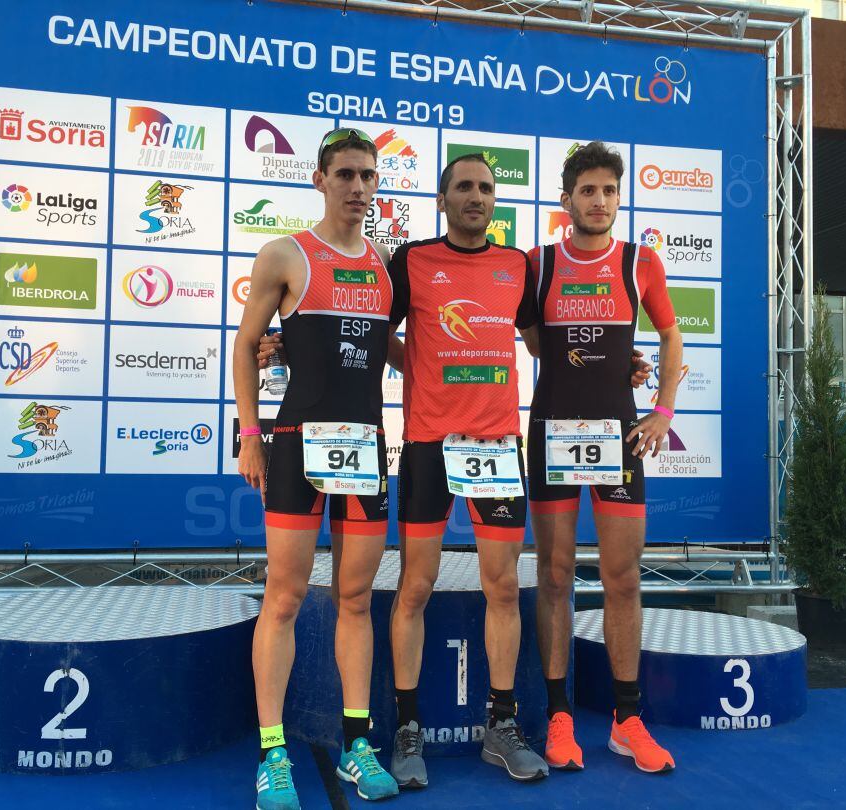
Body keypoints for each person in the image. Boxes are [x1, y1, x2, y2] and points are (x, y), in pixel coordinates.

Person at [234, 128, 399, 809]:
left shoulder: (387, 263)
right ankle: (273, 754)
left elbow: (399, 354)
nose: (358, 187)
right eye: (346, 175)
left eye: (367, 176)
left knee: (356, 600)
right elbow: (247, 347)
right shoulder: (285, 255)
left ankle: (358, 744)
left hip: (365, 446)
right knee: (285, 597)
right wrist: (249, 436)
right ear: (320, 179)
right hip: (297, 444)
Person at [383, 154, 548, 786]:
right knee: (415, 587)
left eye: (485, 187)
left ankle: (500, 728)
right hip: (429, 445)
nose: (475, 196)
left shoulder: (519, 267)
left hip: (498, 448)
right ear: (443, 199)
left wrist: (618, 366)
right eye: (463, 188)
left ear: (495, 200)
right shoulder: (413, 260)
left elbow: (539, 343)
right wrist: (419, 364)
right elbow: (377, 335)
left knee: (502, 587)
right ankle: (406, 730)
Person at [525, 141, 682, 774]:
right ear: (566, 200)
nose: (598, 201)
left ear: (619, 199)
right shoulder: (538, 263)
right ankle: (560, 716)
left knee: (622, 579)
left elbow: (672, 336)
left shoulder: (639, 261)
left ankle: (626, 719)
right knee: (556, 576)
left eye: (609, 191)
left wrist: (662, 413)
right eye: (586, 190)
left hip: (619, 434)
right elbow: (532, 337)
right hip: (552, 430)